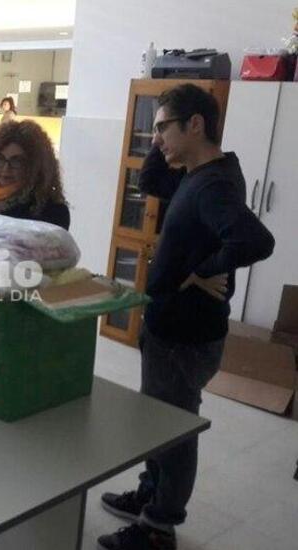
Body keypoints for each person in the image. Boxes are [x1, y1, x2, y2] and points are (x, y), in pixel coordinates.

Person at [97, 84, 275, 550]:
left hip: (185, 335)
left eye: (163, 128)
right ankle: (150, 493)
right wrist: (161, 142)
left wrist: (201, 270)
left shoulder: (212, 184)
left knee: (173, 428)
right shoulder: (199, 174)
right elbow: (149, 182)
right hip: (170, 326)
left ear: (195, 125)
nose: (156, 138)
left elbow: (257, 241)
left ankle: (159, 527)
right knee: (156, 419)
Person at [0, 119, 70, 230]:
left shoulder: (52, 212)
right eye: (0, 159)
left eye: (16, 161)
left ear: (34, 167)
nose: (6, 168)